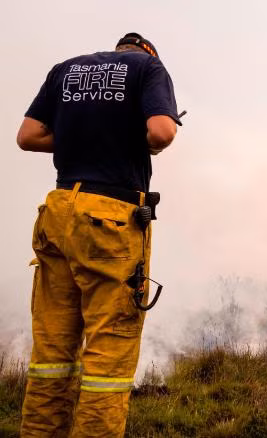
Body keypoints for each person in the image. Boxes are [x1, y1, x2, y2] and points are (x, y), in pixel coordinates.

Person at [16, 32, 181, 437]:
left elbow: (27, 136)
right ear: (147, 52)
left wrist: (83, 138)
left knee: (51, 354)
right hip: (109, 219)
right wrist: (129, 138)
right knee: (109, 359)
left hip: (58, 212)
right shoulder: (148, 68)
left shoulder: (66, 69)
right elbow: (161, 133)